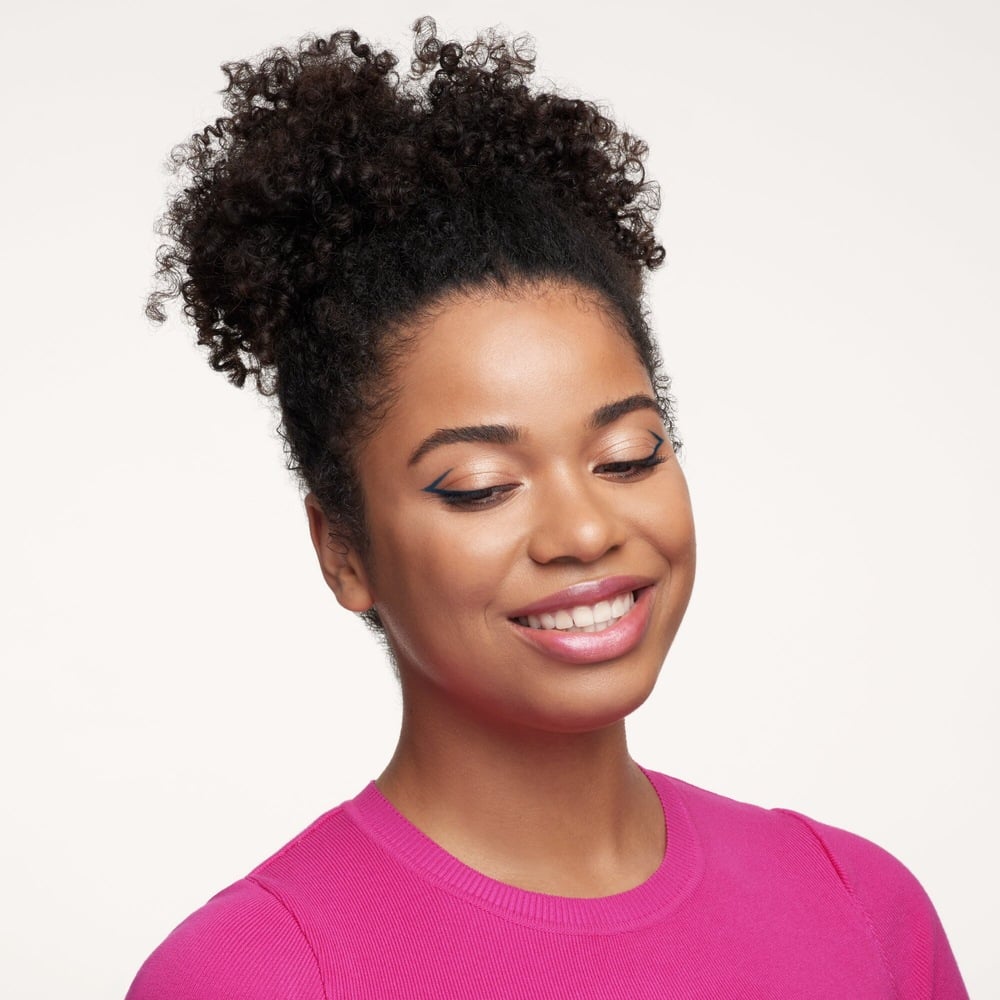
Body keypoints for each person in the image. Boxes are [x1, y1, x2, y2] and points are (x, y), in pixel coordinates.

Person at [126, 18, 968, 999]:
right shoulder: (254, 973)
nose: (585, 531)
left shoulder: (858, 904)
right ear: (343, 550)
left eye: (627, 456)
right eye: (481, 485)